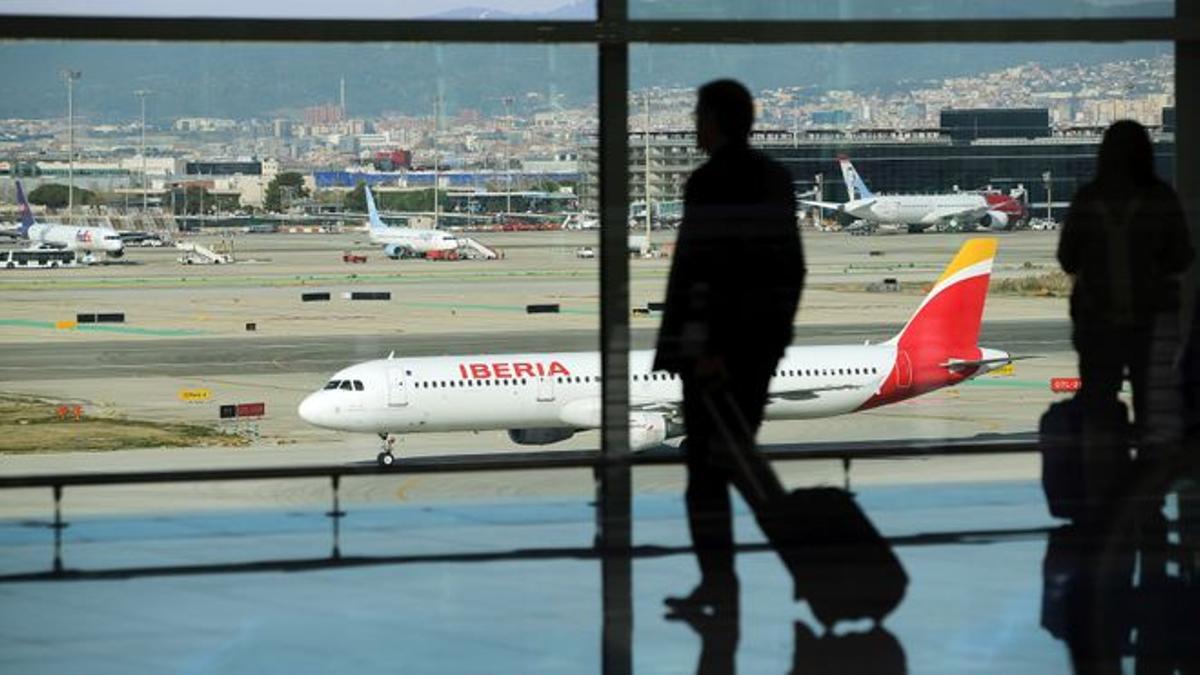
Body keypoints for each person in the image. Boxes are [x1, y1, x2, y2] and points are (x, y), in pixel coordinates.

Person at [653, 79, 806, 611]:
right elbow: (790, 270)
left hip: (714, 355)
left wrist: (691, 350)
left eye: (698, 116)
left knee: (710, 479)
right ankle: (808, 567)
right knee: (738, 464)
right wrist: (772, 341)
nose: (695, 127)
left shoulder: (711, 182)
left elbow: (698, 277)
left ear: (714, 121)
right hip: (756, 350)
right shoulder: (775, 178)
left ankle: (729, 582)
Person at [1057, 119, 1191, 514]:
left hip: (1097, 322)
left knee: (1100, 408)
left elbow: (1067, 258)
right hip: (1151, 324)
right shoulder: (1160, 197)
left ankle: (1104, 496)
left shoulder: (1088, 198)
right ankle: (1147, 501)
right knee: (1154, 411)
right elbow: (1183, 256)